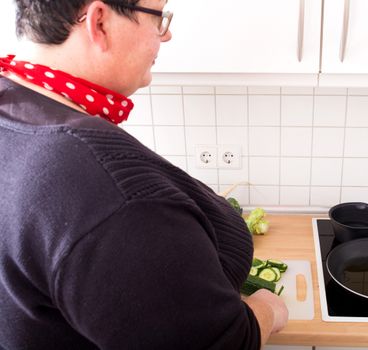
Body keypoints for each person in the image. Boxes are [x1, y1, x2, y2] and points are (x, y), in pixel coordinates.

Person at [0, 0, 288, 349]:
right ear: (100, 22)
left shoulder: (14, 105)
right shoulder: (105, 190)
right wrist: (267, 309)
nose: (166, 36)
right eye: (159, 18)